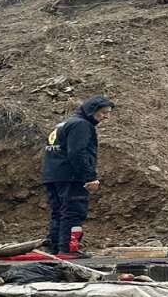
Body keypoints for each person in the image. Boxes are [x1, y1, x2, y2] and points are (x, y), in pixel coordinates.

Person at [40, 95, 115, 258]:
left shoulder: (64, 123)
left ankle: (55, 247)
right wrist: (89, 176)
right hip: (71, 176)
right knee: (73, 211)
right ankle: (68, 249)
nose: (106, 116)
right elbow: (77, 153)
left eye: (108, 113)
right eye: (103, 112)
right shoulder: (82, 125)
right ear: (91, 110)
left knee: (59, 212)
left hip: (52, 175)